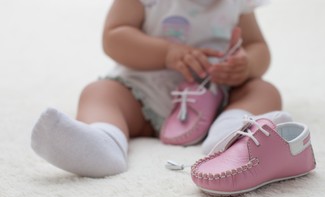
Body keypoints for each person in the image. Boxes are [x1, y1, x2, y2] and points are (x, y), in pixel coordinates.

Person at [31, 0, 290, 178]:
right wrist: (166, 52)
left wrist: (245, 66)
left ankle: (231, 133)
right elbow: (114, 37)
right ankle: (104, 142)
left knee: (264, 91)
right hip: (141, 94)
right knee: (99, 92)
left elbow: (258, 47)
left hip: (217, 97)